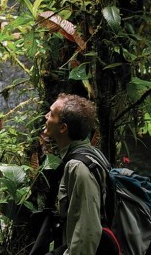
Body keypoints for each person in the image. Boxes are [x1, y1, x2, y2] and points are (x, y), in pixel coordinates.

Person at [43, 93, 110, 255]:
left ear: (63, 128)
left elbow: (87, 233)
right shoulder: (91, 153)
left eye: (51, 114)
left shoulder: (78, 167)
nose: (46, 116)